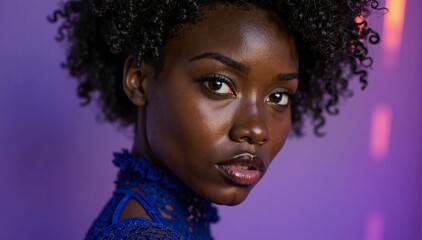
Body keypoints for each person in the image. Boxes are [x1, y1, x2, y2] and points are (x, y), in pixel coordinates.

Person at [49, 0, 382, 239]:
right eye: (218, 84)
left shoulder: (169, 218)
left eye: (278, 96)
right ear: (139, 80)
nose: (256, 129)